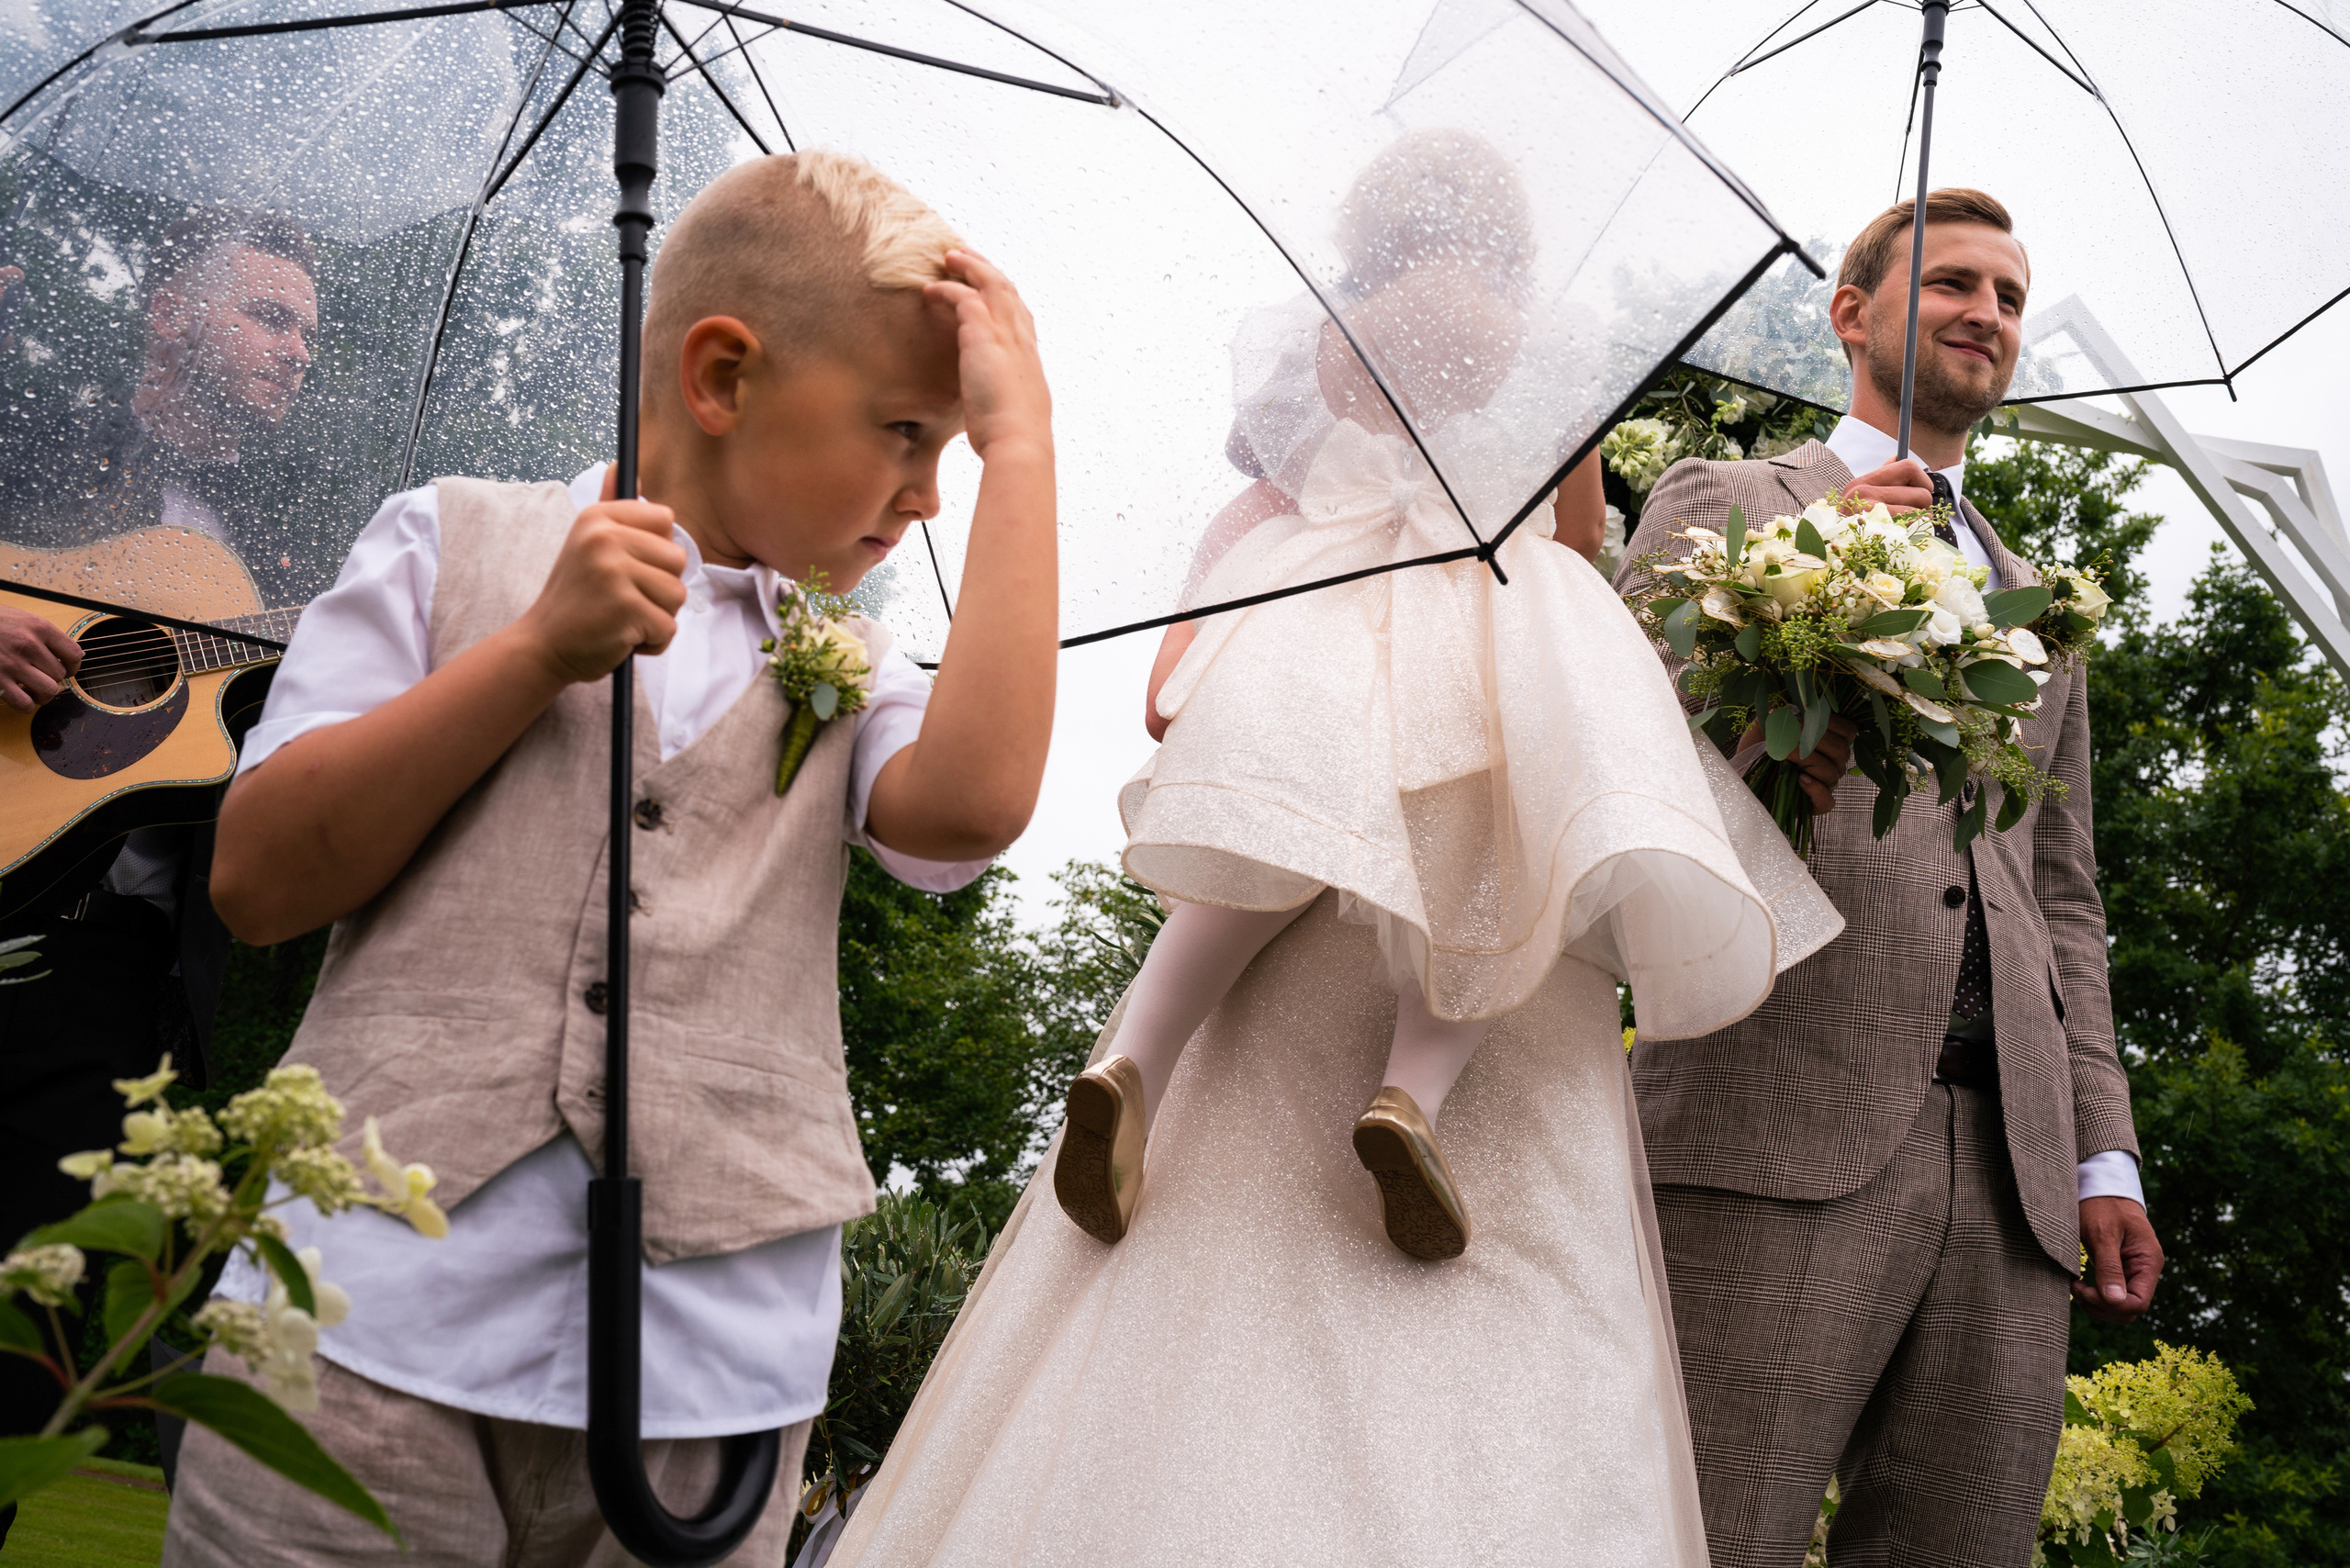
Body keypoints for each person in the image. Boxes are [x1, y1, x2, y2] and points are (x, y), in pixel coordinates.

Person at [822, 131, 1837, 1568]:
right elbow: (1574, 532)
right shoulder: (1546, 352)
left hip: (1315, 626)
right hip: (1485, 653)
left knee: (1260, 858)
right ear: (1517, 252)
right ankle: (1412, 1094)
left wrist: (1207, 650)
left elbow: (1260, 511)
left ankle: (1135, 1063)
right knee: (1490, 879)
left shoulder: (1321, 333)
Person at [154, 151, 1058, 1567]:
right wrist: (531, 654)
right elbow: (260, 881)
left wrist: (1026, 453)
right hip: (364, 1326)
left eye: (953, 450)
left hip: (707, 1376)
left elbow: (980, 801)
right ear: (722, 377)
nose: (926, 495)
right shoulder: (442, 544)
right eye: (903, 432)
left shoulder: (857, 664)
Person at [1610, 187, 2162, 1567]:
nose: (1989, 314)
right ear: (1853, 314)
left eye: (2012, 297)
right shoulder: (1732, 501)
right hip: (1776, 1110)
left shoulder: (2035, 601)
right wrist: (1810, 571)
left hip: (2018, 1171)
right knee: (1706, 1538)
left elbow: (2064, 897)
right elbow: (1614, 754)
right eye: (1955, 283)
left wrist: (2103, 1148)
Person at [0, 207, 320, 1535]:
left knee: (18, 1371)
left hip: (107, 993)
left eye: (309, 329)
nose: (298, 350)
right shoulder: (27, 433)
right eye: (267, 314)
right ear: (166, 315)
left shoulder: (287, 547)